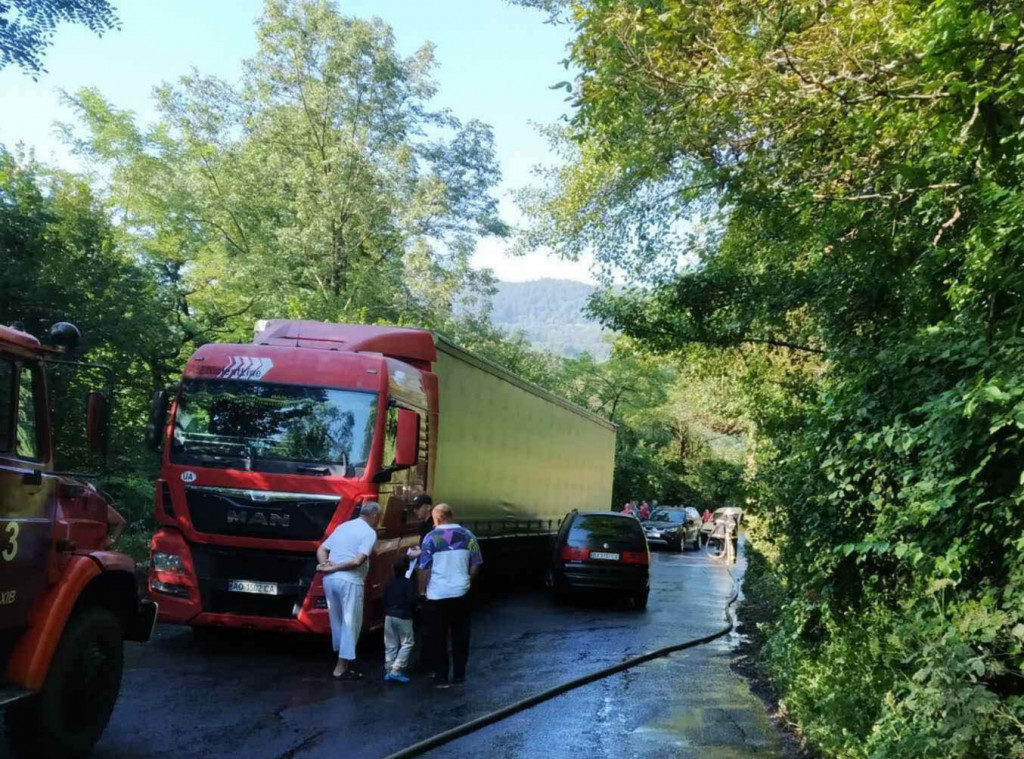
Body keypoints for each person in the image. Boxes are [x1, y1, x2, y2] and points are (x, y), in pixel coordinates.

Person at [419, 503, 483, 688]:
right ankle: (459, 675)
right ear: (451, 516)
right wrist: (468, 580)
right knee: (461, 635)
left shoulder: (431, 538)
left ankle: (441, 677)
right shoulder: (467, 535)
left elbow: (425, 568)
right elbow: (476, 562)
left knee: (438, 637)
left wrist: (422, 592)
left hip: (437, 595)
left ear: (436, 518)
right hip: (461, 592)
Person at [316, 501, 381, 680]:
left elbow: (322, 548)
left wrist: (324, 564)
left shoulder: (343, 526)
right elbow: (357, 561)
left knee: (337, 621)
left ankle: (343, 659)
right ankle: (341, 666)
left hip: (331, 582)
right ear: (374, 515)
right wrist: (332, 567)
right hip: (350, 581)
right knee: (351, 624)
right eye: (378, 517)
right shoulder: (369, 532)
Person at [382, 554, 417, 683]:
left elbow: (384, 599)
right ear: (407, 568)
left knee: (390, 644)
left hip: (389, 615)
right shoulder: (408, 583)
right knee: (407, 643)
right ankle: (396, 669)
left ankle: (389, 669)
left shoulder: (388, 583)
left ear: (393, 567)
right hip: (403, 615)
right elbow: (411, 599)